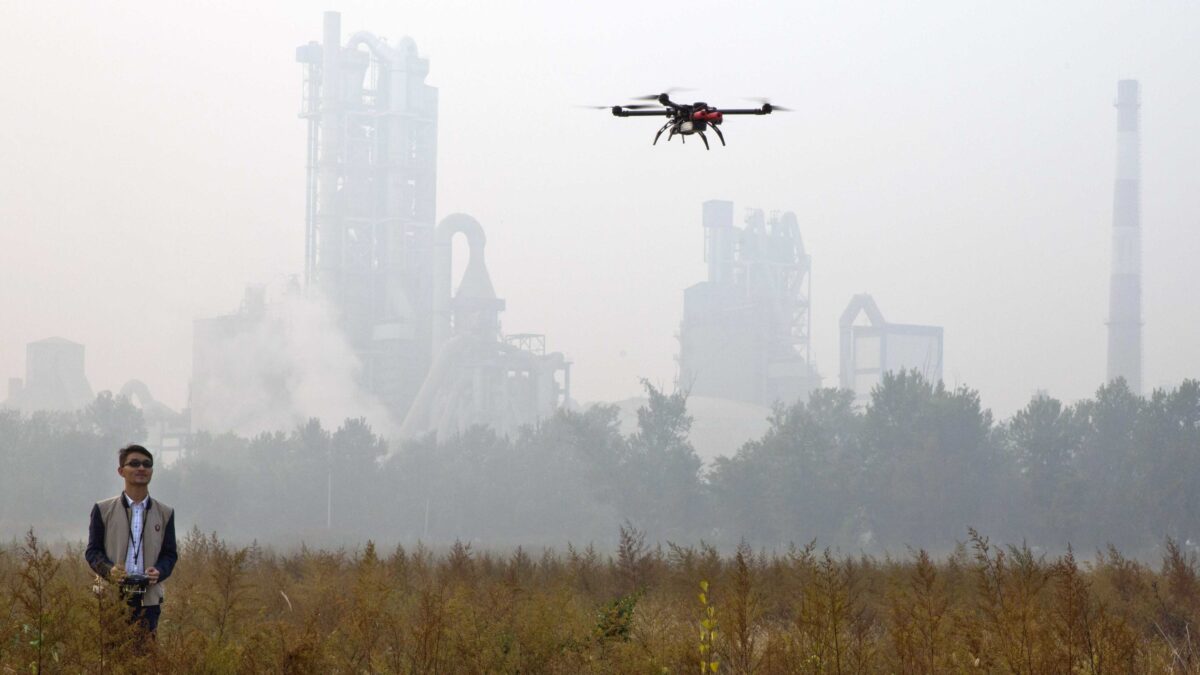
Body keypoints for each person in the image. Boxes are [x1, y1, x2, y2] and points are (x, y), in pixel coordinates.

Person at [85, 444, 178, 634]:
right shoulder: (103, 510)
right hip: (112, 597)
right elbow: (93, 552)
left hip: (149, 599)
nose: (141, 468)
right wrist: (109, 570)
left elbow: (170, 555)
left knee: (147, 658)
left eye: (147, 464)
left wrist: (159, 571)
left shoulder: (165, 513)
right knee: (113, 658)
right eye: (134, 464)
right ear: (121, 471)